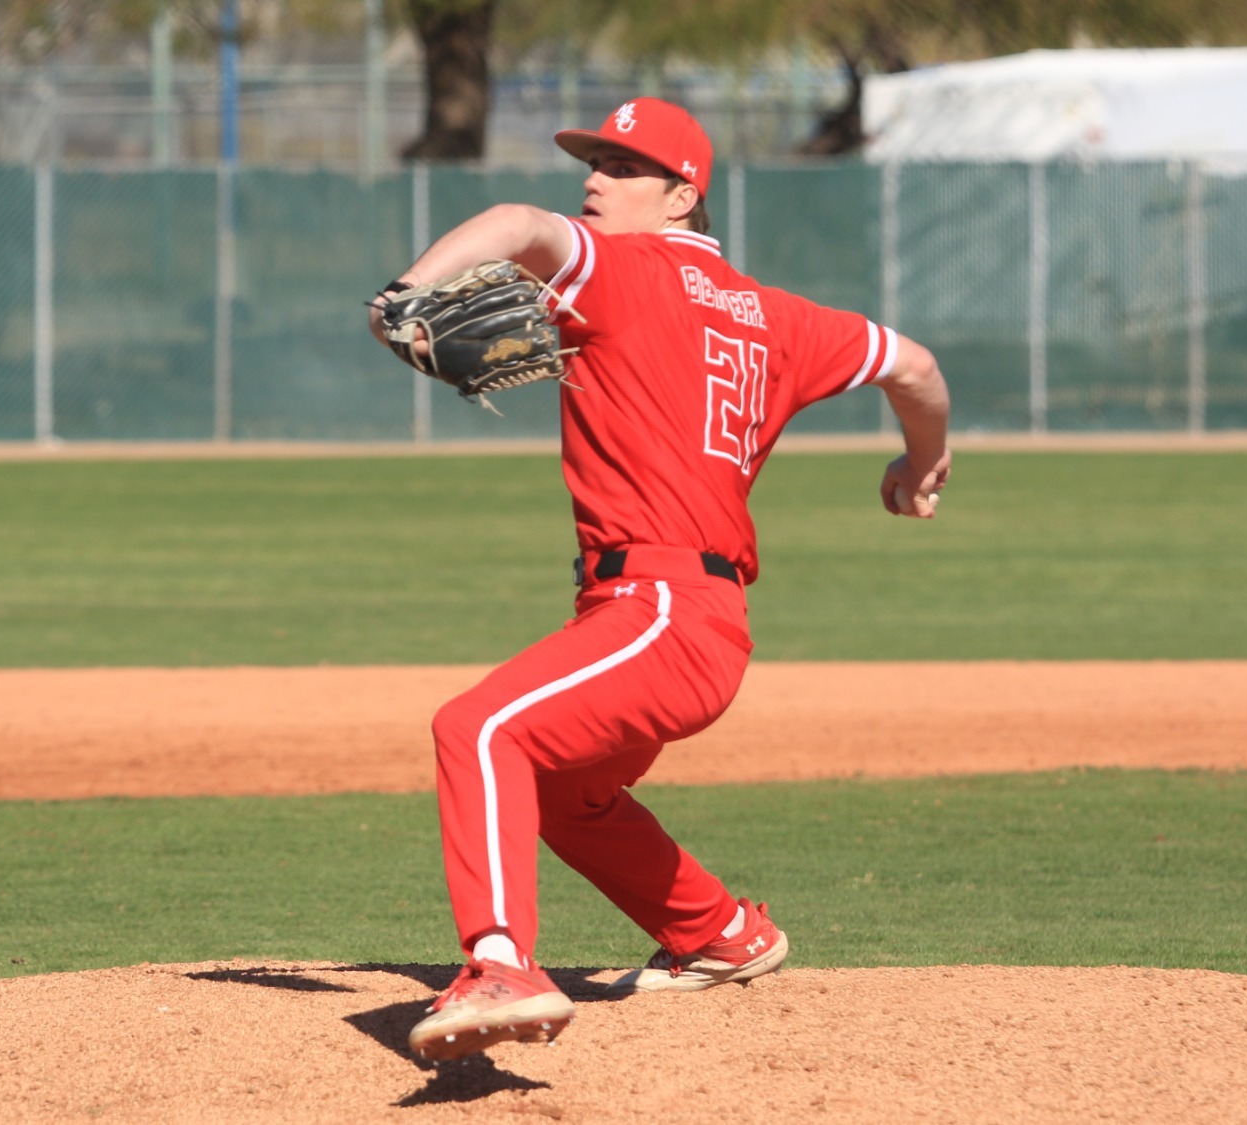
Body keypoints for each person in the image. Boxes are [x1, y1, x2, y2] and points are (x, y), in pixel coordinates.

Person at [368, 97, 951, 1062]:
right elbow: (916, 364)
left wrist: (405, 291)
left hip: (659, 610)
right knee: (564, 793)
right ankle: (718, 933)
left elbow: (515, 225)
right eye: (594, 160)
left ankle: (503, 963)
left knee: (477, 728)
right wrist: (921, 462)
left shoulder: (618, 269)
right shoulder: (780, 317)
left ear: (684, 196)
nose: (595, 180)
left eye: (623, 167)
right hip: (696, 618)